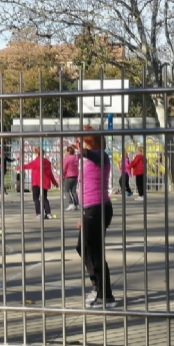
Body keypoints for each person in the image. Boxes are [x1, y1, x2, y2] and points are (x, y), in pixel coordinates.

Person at [76, 126, 116, 309]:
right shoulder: (88, 159)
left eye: (82, 140)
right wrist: (82, 213)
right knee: (82, 248)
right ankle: (96, 285)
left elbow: (93, 156)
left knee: (95, 252)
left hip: (99, 209)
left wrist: (82, 150)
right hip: (89, 209)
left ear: (90, 142)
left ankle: (105, 295)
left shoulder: (101, 156)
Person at [18, 147, 58, 219]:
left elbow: (26, 166)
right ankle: (48, 213)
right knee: (44, 198)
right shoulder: (47, 162)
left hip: (36, 183)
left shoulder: (36, 162)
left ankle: (39, 213)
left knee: (36, 198)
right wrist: (54, 182)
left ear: (37, 154)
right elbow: (50, 174)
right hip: (45, 183)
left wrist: (18, 167)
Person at [62, 146, 79, 210]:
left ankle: (71, 203)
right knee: (74, 191)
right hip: (75, 175)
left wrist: (62, 177)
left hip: (68, 176)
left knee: (66, 191)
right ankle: (76, 204)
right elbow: (80, 154)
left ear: (68, 151)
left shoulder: (67, 159)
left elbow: (64, 169)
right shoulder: (76, 157)